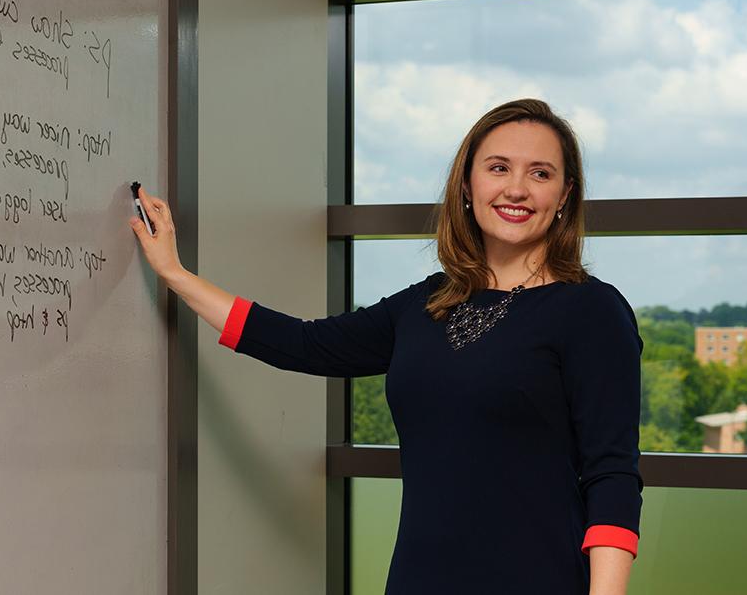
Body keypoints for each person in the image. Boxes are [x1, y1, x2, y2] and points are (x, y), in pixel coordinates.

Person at [128, 98, 643, 595]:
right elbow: (302, 343)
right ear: (467, 185)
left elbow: (613, 473)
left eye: (540, 173)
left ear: (565, 195)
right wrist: (175, 273)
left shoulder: (591, 312)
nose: (517, 189)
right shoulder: (425, 305)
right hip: (420, 579)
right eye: (499, 167)